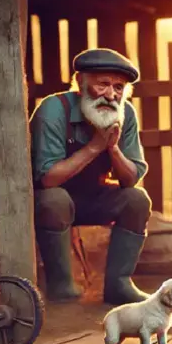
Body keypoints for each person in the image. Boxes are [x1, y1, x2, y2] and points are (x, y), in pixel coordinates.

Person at [30, 48, 152, 306]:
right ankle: (61, 286)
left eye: (119, 87)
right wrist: (95, 146)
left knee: (136, 199)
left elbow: (131, 179)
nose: (111, 95)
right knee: (55, 199)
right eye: (103, 84)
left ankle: (119, 285)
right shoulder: (54, 109)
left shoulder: (125, 113)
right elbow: (48, 179)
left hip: (93, 198)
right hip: (47, 203)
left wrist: (113, 148)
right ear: (81, 83)